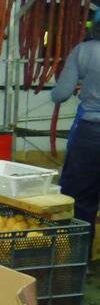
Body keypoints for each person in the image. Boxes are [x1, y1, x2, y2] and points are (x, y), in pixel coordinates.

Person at [52, 19, 100, 252]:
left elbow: (61, 93)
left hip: (91, 134)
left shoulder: (85, 51)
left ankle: (77, 263)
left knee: (80, 201)